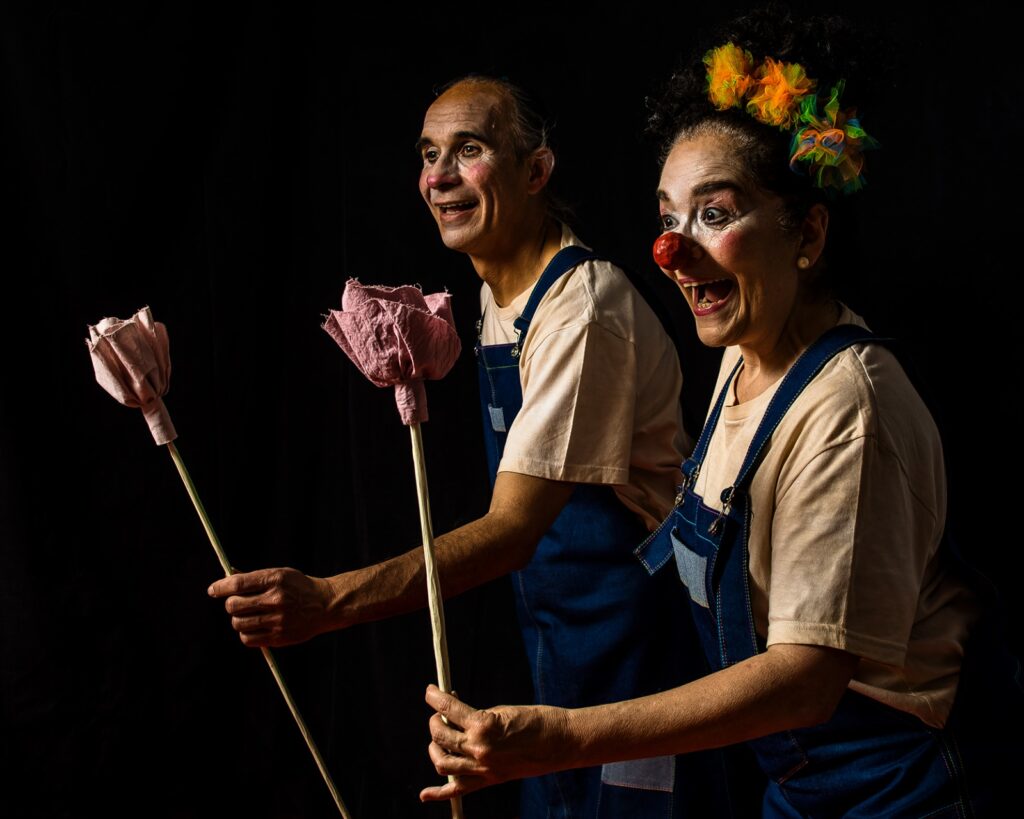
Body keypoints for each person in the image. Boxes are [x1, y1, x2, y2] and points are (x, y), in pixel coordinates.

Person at [419, 9, 1024, 816]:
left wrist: (566, 735)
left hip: (902, 784)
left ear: (806, 234)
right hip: (798, 783)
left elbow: (805, 681)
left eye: (714, 213)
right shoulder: (742, 354)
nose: (672, 251)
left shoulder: (849, 406)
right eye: (667, 218)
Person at [209, 75, 731, 816]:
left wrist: (329, 600)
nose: (440, 176)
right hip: (557, 638)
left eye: (470, 149)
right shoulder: (495, 293)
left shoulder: (581, 308)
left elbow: (512, 532)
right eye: (429, 154)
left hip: (638, 644)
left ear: (535, 171)